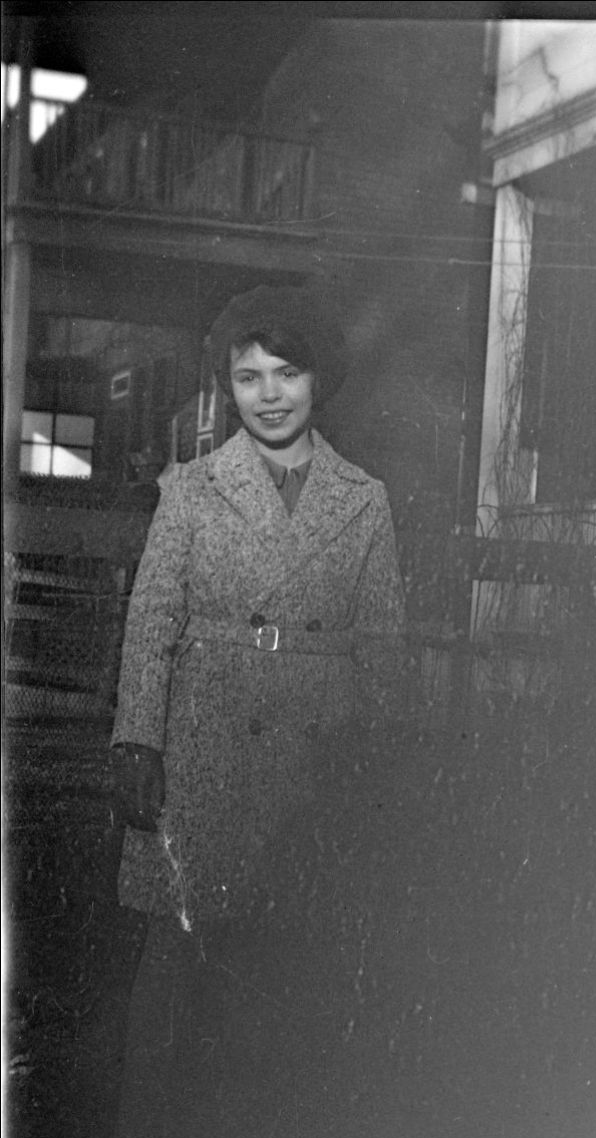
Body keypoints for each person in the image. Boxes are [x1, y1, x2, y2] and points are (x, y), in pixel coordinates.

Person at [110, 283, 407, 931]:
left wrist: (379, 760)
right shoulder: (191, 490)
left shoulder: (364, 500)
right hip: (203, 755)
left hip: (314, 767)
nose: (269, 395)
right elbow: (151, 624)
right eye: (249, 377)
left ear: (318, 380)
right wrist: (136, 742)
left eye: (287, 373)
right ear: (228, 389)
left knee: (293, 953)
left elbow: (381, 648)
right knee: (186, 951)